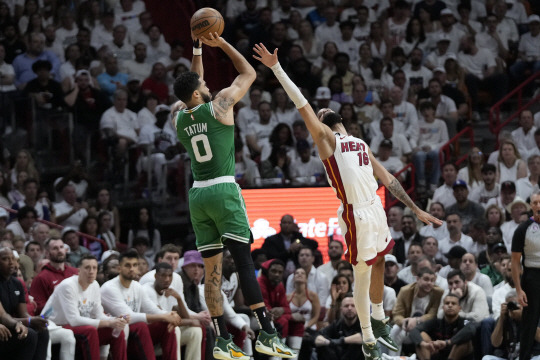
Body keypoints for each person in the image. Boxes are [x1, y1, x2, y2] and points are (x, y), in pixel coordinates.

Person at [253, 42, 442, 359]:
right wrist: (275, 68)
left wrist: (415, 208)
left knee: (381, 259)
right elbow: (302, 104)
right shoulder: (327, 140)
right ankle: (368, 339)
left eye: (325, 112)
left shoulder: (360, 143)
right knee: (362, 272)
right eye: (321, 113)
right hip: (355, 213)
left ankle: (379, 319)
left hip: (376, 207)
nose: (322, 112)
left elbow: (391, 180)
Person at [172, 32, 296, 360]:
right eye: (204, 86)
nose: (210, 86)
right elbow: (249, 73)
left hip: (197, 195)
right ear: (199, 92)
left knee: (212, 272)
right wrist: (221, 43)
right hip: (224, 189)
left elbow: (194, 83)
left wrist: (197, 47)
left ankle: (221, 339)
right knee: (243, 262)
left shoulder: (179, 116)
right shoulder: (220, 106)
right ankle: (268, 333)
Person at [41, 254, 128, 360]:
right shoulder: (68, 286)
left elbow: (98, 314)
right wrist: (108, 322)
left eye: (94, 268)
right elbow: (73, 320)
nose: (91, 271)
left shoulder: (95, 285)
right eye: (87, 268)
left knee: (116, 329)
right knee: (90, 330)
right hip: (56, 325)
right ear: (79, 271)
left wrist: (114, 320)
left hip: (76, 326)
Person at [100, 250, 181, 360]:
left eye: (135, 265)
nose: (132, 269)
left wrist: (169, 315)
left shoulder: (137, 286)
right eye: (127, 265)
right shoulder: (109, 288)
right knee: (140, 325)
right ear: (119, 268)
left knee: (166, 324)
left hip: (133, 336)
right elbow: (129, 316)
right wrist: (163, 316)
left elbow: (151, 308)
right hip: (116, 336)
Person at [0, 247, 49, 360]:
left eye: (13, 258)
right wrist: (25, 322)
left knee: (42, 330)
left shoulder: (17, 283)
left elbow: (23, 314)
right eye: (5, 259)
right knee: (30, 335)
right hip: (4, 326)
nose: (11, 262)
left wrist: (34, 319)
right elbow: (2, 316)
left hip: (10, 324)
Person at [511, 191, 540, 360]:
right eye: (535, 203)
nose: (538, 205)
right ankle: (524, 357)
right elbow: (515, 261)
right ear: (531, 206)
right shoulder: (523, 229)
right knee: (529, 323)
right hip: (532, 277)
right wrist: (518, 289)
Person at [410, 293, 476, 360]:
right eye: (447, 303)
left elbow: (471, 329)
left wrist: (447, 342)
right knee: (422, 335)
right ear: (443, 307)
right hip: (436, 354)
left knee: (465, 340)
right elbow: (414, 330)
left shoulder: (464, 322)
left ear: (459, 308)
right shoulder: (435, 322)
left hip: (457, 356)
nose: (450, 305)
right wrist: (423, 344)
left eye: (453, 303)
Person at [314, 294, 363, 360]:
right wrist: (328, 342)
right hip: (338, 356)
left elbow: (366, 337)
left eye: (353, 306)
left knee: (356, 345)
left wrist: (341, 341)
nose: (349, 308)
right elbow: (317, 336)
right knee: (322, 346)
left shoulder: (364, 324)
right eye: (346, 306)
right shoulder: (336, 324)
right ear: (341, 309)